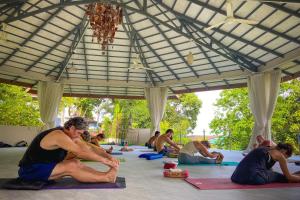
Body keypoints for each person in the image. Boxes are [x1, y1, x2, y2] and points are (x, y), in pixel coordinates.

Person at [18, 117, 119, 183]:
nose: (79, 136)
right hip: (30, 170)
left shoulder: (72, 136)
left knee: (75, 162)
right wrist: (105, 162)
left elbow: (89, 147)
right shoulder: (58, 135)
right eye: (79, 133)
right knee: (71, 165)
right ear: (71, 128)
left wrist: (109, 157)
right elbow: (81, 152)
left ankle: (106, 175)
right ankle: (106, 178)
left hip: (45, 167)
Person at [231, 143, 300, 185]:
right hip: (254, 178)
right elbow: (288, 177)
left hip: (236, 177)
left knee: (277, 175)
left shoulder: (264, 148)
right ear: (284, 151)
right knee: (281, 177)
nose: (285, 159)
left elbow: (268, 170)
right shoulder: (279, 155)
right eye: (286, 157)